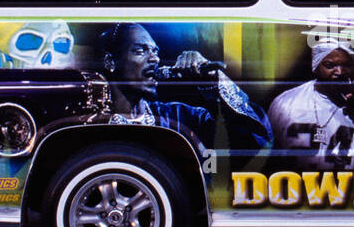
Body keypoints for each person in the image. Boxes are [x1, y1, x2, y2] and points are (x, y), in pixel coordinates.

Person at [99, 23, 271, 158]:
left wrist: (212, 80)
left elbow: (258, 140)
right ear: (110, 62)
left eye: (155, 51)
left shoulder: (179, 118)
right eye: (140, 51)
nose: (154, 58)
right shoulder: (91, 121)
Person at [269, 41, 354, 171]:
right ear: (315, 67)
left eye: (346, 65)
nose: (339, 71)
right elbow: (272, 156)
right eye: (329, 65)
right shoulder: (286, 103)